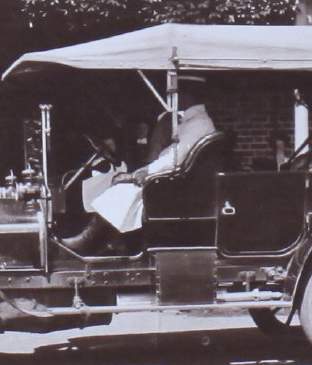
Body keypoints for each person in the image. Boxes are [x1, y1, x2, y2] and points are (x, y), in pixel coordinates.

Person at [62, 76, 215, 254]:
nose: (172, 99)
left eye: (176, 94)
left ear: (187, 96)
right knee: (120, 186)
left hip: (173, 188)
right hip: (174, 182)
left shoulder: (197, 126)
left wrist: (139, 174)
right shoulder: (194, 124)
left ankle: (87, 240)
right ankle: (116, 240)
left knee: (122, 189)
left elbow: (173, 160)